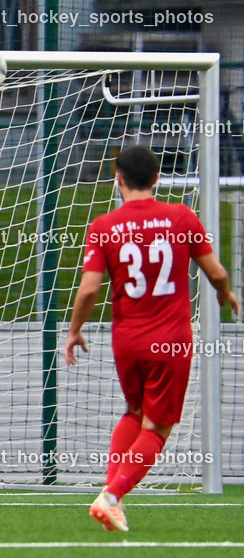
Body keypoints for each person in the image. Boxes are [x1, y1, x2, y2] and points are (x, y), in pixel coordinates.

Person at [65, 145, 239, 531]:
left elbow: (90, 289)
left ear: (118, 178)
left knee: (135, 412)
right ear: (158, 178)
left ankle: (111, 496)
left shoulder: (104, 225)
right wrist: (225, 293)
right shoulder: (182, 216)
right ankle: (111, 496)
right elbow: (216, 272)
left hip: (126, 339)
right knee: (157, 428)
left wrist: (74, 330)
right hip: (171, 340)